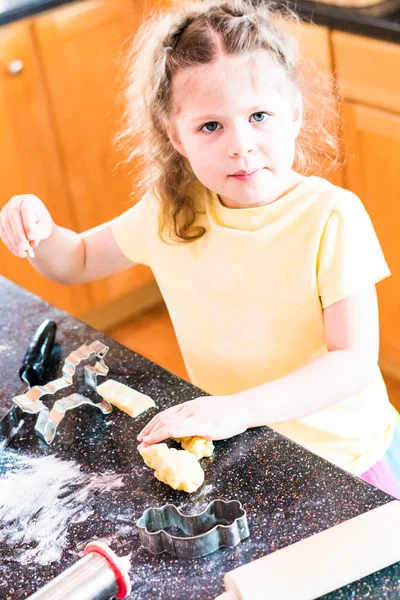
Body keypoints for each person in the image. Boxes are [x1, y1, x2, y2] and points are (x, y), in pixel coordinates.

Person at [1, 0, 399, 499]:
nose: (241, 145)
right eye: (211, 126)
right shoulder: (173, 209)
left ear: (293, 115)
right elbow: (75, 260)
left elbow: (352, 361)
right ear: (177, 137)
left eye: (258, 116)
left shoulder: (331, 217)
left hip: (346, 458)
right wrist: (36, 227)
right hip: (245, 444)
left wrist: (238, 409)